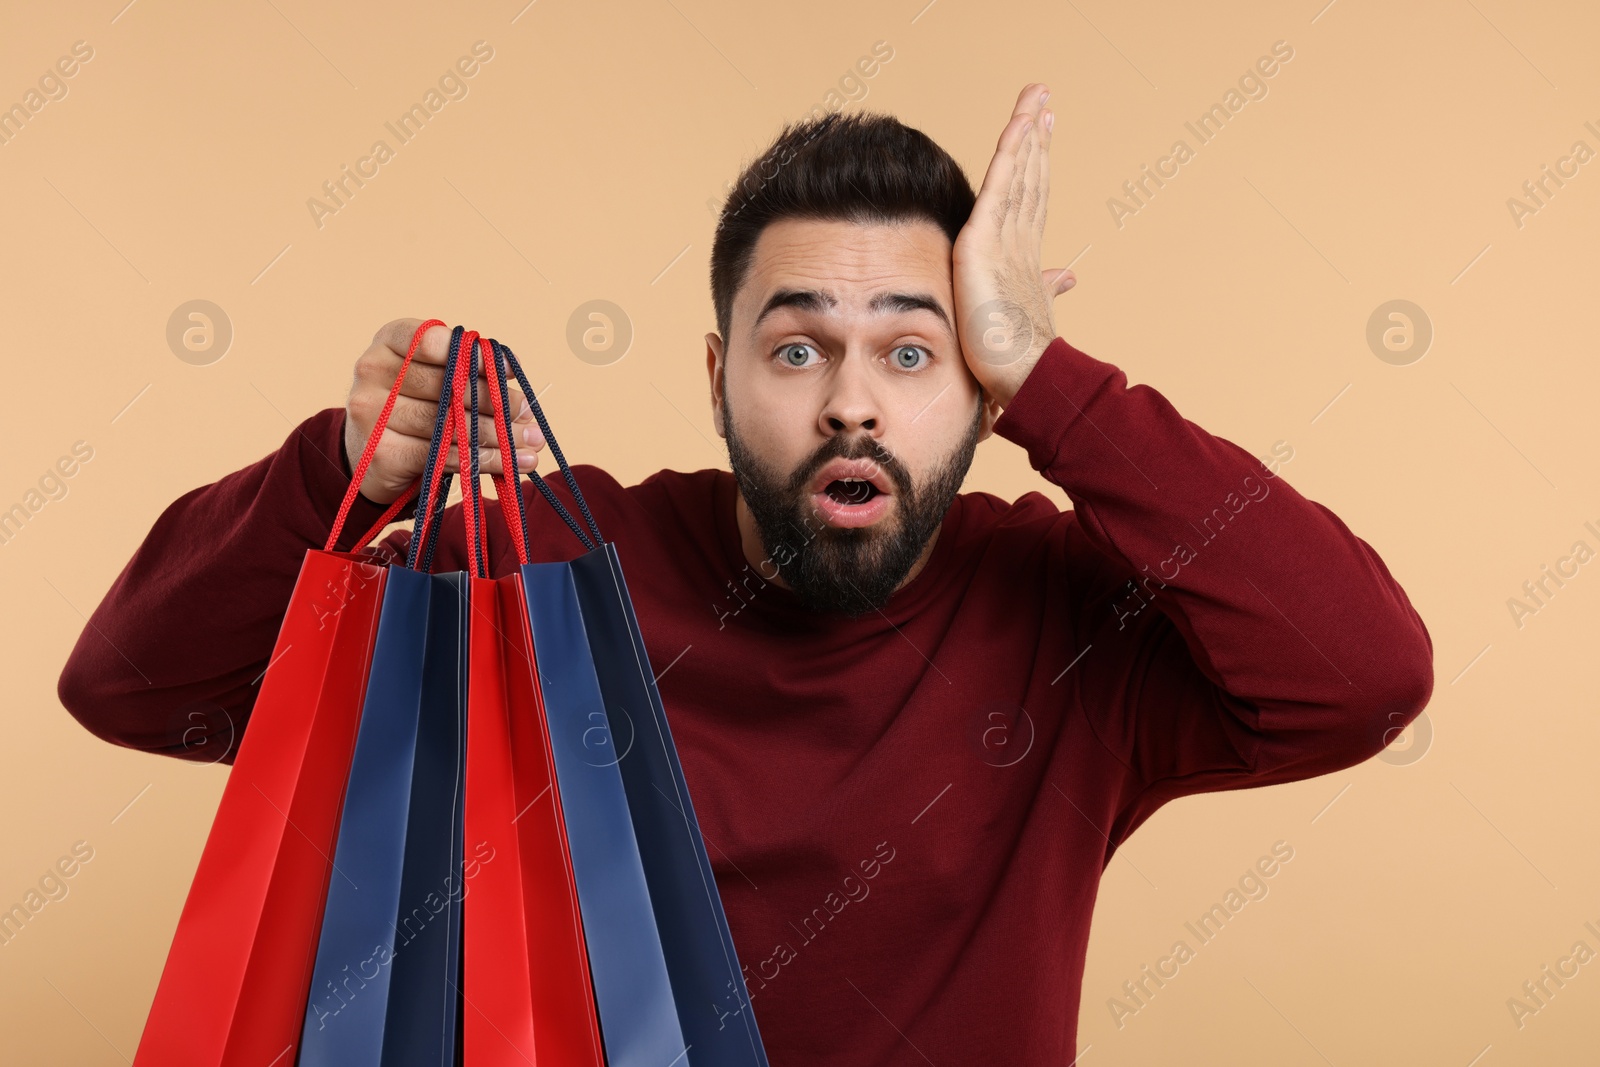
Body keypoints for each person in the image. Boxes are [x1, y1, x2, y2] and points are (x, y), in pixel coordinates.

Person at [57, 85, 1432, 1063]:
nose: (852, 404)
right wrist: (333, 470)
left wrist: (1058, 381)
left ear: (980, 392)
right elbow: (136, 688)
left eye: (914, 352)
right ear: (716, 378)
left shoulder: (1067, 618)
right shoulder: (545, 570)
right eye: (796, 349)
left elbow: (1362, 676)